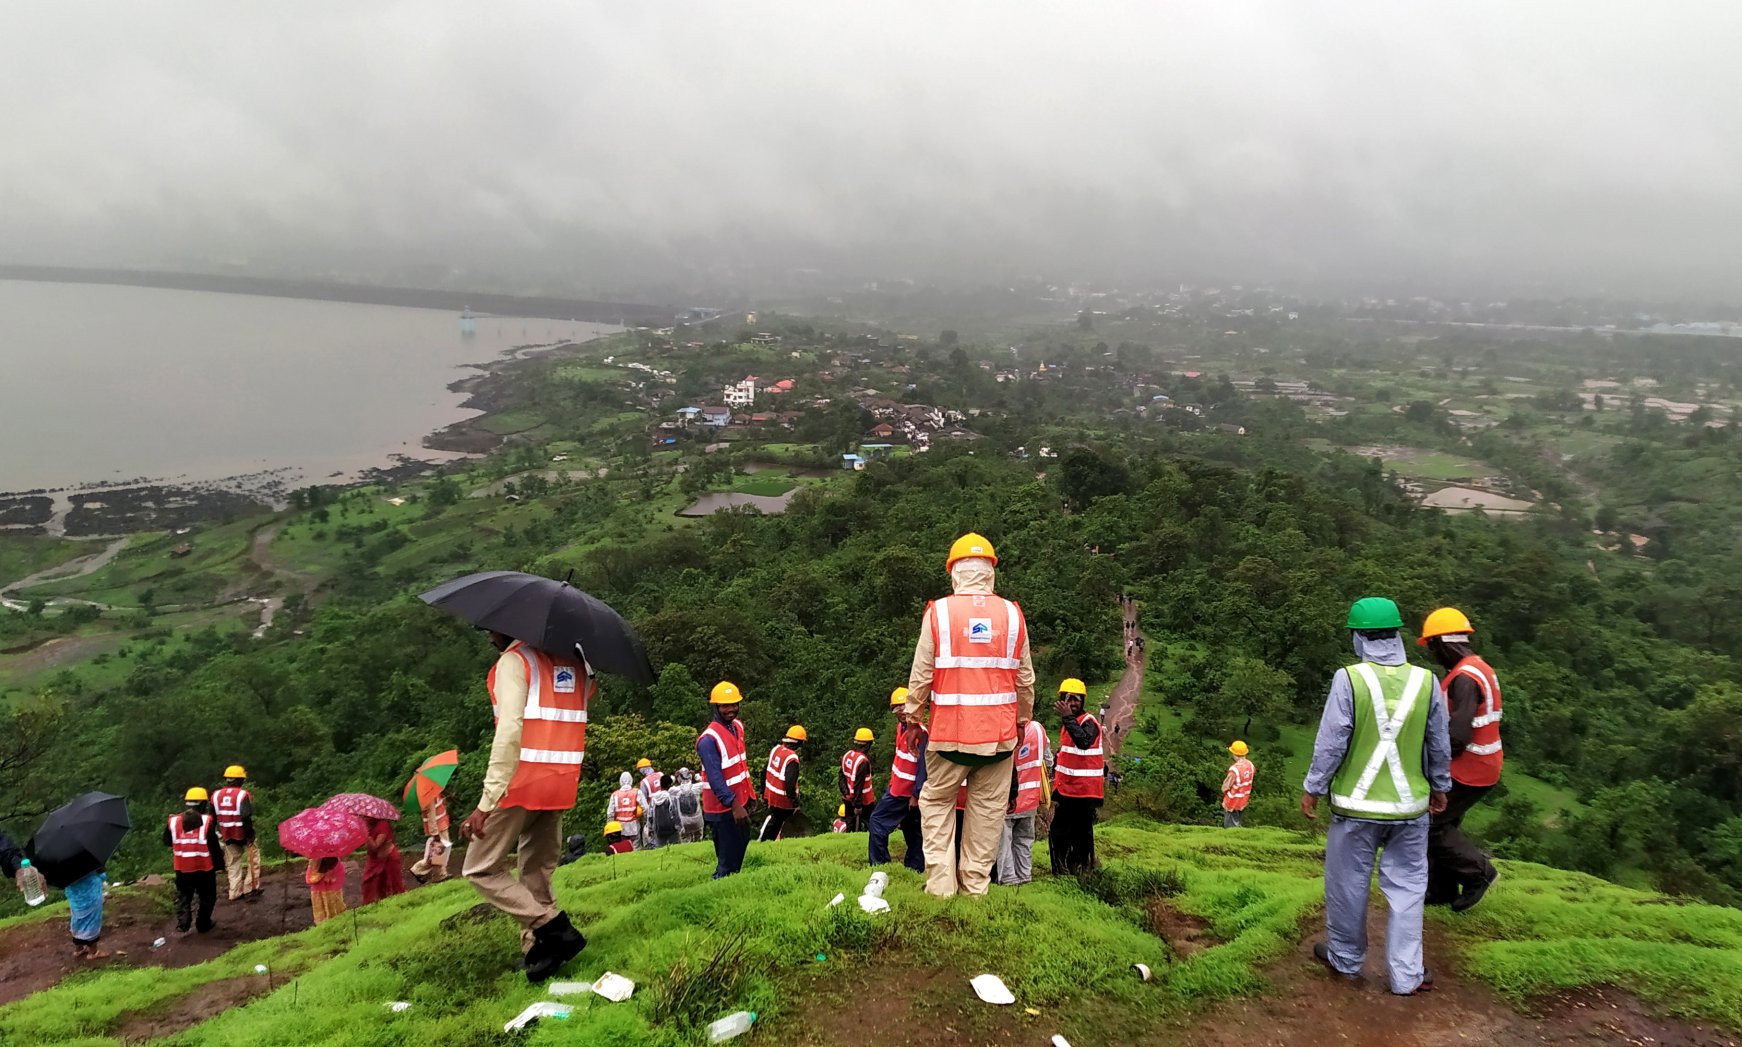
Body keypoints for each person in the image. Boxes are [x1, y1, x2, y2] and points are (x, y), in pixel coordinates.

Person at [1302, 597, 1451, 998]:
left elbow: (1332, 740)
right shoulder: (1427, 682)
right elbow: (1438, 742)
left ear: (1358, 637)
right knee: (1408, 890)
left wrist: (1314, 787)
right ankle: (1406, 975)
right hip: (1410, 808)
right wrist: (1441, 787)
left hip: (1356, 808)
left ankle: (1346, 958)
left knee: (1347, 884)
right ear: (1397, 634)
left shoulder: (1348, 679)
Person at [905, 533, 1035, 898]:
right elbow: (1025, 679)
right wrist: (1022, 722)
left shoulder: (940, 613)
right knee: (987, 813)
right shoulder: (1012, 614)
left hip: (949, 735)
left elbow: (921, 673)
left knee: (936, 802)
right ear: (990, 571)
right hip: (999, 737)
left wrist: (913, 720)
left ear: (954, 572)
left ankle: (941, 887)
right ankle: (975, 888)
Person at [459, 630, 591, 983]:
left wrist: (486, 802)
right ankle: (539, 953)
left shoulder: (514, 662)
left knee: (479, 868)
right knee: (537, 869)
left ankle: (552, 927)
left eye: (492, 630)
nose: (489, 637)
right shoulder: (574, 664)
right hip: (560, 778)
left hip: (520, 782)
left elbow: (510, 732)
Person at [1418, 607, 1504, 912]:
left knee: (1429, 823)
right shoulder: (1479, 668)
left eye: (1431, 647)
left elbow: (1457, 736)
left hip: (1469, 768)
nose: (1432, 654)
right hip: (1484, 765)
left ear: (1442, 643)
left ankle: (1479, 874)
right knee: (1445, 822)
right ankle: (1442, 889)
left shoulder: (1464, 679)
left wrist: (1431, 765)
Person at [696, 680, 756, 878]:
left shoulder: (737, 727)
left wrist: (750, 797)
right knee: (727, 859)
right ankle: (720, 885)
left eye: (734, 704)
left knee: (739, 849)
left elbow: (740, 766)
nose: (731, 709)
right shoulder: (708, 740)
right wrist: (734, 804)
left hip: (740, 802)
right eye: (725, 706)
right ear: (715, 707)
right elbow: (715, 778)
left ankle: (730, 883)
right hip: (723, 810)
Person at [868, 687, 927, 872]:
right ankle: (914, 869)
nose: (901, 712)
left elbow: (923, 767)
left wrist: (916, 794)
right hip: (898, 788)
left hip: (905, 793)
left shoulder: (920, 733)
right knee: (913, 831)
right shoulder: (902, 728)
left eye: (905, 706)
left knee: (877, 821)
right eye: (896, 708)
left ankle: (879, 866)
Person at [1049, 678, 1104, 874]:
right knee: (1065, 832)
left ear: (1083, 701)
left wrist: (1068, 718)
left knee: (1076, 832)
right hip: (1068, 789)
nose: (1072, 703)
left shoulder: (1089, 723)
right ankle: (1067, 869)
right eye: (1068, 698)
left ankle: (1078, 869)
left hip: (1083, 791)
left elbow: (1083, 741)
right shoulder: (1069, 724)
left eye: (1076, 699)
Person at [163, 787, 225, 935]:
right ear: (203, 804)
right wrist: (220, 865)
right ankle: (203, 924)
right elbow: (214, 847)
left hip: (182, 867)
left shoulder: (173, 821)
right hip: (204, 867)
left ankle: (183, 923)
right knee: (207, 897)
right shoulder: (207, 821)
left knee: (184, 894)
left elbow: (166, 841)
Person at [996, 715, 1050, 885]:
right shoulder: (1038, 729)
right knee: (1025, 840)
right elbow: (1049, 760)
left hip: (1008, 799)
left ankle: (1009, 878)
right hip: (1031, 799)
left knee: (1004, 842)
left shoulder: (1005, 729)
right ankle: (1025, 875)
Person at [212, 765, 262, 902]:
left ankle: (234, 892)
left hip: (226, 834)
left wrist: (219, 832)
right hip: (242, 832)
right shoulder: (242, 795)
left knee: (233, 862)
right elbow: (245, 816)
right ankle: (250, 888)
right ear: (240, 780)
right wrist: (250, 834)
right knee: (254, 859)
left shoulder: (216, 796)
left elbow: (213, 816)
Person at [760, 726, 807, 842]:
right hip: (783, 800)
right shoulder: (792, 758)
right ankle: (765, 842)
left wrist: (763, 792)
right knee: (777, 824)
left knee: (774, 821)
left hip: (770, 794)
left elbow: (764, 771)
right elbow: (790, 785)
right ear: (799, 743)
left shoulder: (776, 749)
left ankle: (764, 841)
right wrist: (795, 803)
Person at [66, 867, 109, 960]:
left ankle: (79, 949)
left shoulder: (64, 867)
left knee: (77, 922)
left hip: (76, 900)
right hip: (91, 897)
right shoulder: (88, 861)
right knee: (92, 923)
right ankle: (93, 952)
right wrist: (102, 870)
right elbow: (102, 876)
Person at [839, 729, 877, 832]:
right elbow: (858, 786)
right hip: (864, 802)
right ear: (868, 744)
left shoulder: (847, 756)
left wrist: (846, 793)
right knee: (872, 826)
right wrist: (858, 805)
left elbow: (841, 777)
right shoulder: (862, 762)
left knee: (850, 826)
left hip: (848, 800)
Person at [410, 790, 451, 883]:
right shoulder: (429, 794)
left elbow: (436, 807)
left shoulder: (432, 793)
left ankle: (440, 873)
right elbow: (431, 813)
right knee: (439, 851)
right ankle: (420, 870)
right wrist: (435, 833)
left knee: (440, 851)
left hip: (441, 824)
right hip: (438, 826)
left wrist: (444, 800)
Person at [362, 817, 405, 903]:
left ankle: (401, 903)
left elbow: (375, 846)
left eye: (366, 816)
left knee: (394, 883)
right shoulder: (365, 824)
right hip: (374, 859)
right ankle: (372, 905)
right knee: (368, 883)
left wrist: (366, 835)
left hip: (388, 857)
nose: (364, 817)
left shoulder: (383, 825)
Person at [608, 772, 644, 851]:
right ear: (631, 780)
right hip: (634, 825)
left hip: (620, 827)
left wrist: (610, 830)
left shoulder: (614, 795)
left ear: (620, 781)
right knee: (636, 848)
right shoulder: (637, 792)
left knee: (624, 848)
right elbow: (645, 808)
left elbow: (610, 813)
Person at [1222, 741, 1255, 827]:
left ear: (1234, 753)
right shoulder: (1250, 765)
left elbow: (1225, 787)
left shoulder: (1235, 769)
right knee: (1238, 822)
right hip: (1243, 800)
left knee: (1229, 826)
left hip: (1232, 801)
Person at [635, 759, 666, 850]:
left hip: (654, 812)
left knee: (653, 835)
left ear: (642, 769)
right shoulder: (661, 774)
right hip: (666, 807)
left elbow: (643, 801)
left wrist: (646, 819)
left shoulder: (644, 782)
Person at [305, 857, 346, 925]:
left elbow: (309, 880)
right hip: (332, 893)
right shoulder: (337, 863)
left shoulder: (314, 864)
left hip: (319, 893)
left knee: (322, 918)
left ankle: (325, 927)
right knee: (337, 914)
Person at [673, 768, 706, 844]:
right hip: (697, 820)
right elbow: (707, 783)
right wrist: (697, 778)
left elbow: (666, 789)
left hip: (684, 821)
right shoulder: (696, 787)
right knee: (698, 842)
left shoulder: (675, 790)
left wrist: (673, 779)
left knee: (685, 842)